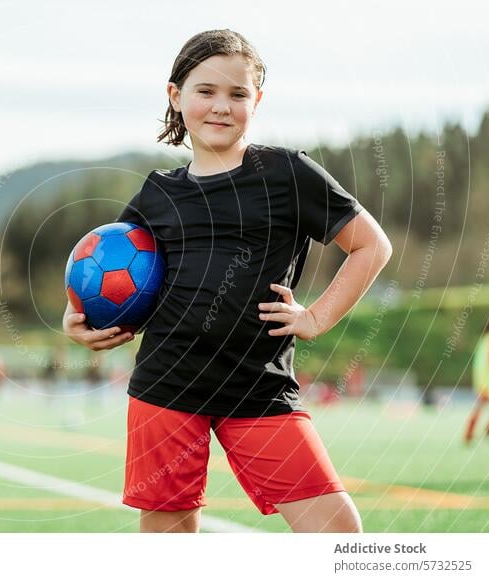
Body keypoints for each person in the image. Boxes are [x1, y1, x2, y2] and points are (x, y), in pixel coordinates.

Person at [62, 30, 393, 533]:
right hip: (165, 386)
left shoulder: (288, 174)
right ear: (176, 96)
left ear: (255, 101)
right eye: (206, 91)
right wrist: (76, 317)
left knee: (337, 532)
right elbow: (99, 267)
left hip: (258, 387)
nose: (222, 106)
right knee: (170, 536)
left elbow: (372, 245)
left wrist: (316, 317)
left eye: (237, 94)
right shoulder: (158, 194)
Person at [463, 319, 489, 443]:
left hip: (480, 378)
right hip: (488, 378)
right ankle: (488, 429)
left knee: (480, 405)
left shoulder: (483, 340)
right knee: (481, 405)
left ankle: (469, 433)